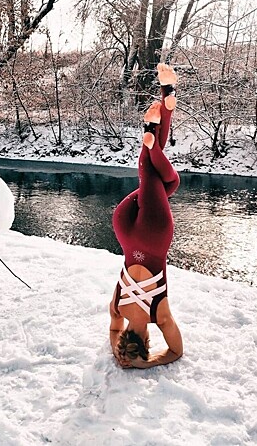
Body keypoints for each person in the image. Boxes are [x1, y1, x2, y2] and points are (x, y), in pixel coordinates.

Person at [109, 63, 183, 369]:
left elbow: (176, 352)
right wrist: (120, 353)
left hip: (154, 235)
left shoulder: (159, 313)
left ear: (147, 343)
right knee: (165, 182)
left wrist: (147, 363)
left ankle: (152, 130)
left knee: (153, 172)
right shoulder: (118, 309)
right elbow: (114, 332)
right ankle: (164, 108)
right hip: (124, 228)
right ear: (127, 337)